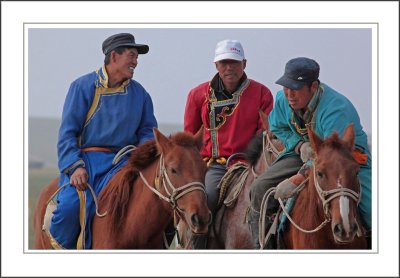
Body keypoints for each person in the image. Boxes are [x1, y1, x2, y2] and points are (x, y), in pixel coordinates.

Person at [248, 57, 372, 249]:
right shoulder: (283, 100)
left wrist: (297, 178)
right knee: (258, 188)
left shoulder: (336, 110)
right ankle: (262, 247)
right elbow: (277, 127)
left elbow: (333, 158)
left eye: (295, 88)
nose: (289, 94)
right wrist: (299, 146)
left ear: (313, 87)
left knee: (372, 210)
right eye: (286, 87)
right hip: (303, 154)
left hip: (344, 159)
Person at [48, 33, 158, 249]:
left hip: (124, 164)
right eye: (132, 55)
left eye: (137, 57)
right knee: (70, 208)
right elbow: (67, 133)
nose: (136, 62)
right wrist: (75, 167)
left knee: (153, 204)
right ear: (114, 56)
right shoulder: (82, 87)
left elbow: (147, 132)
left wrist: (141, 157)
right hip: (86, 163)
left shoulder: (141, 95)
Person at [183, 39, 274, 249]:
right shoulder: (198, 95)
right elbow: (189, 138)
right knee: (208, 199)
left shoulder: (262, 93)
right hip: (213, 165)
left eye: (234, 62)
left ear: (244, 63)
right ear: (216, 65)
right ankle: (196, 245)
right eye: (223, 63)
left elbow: (266, 134)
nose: (228, 67)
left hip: (248, 165)